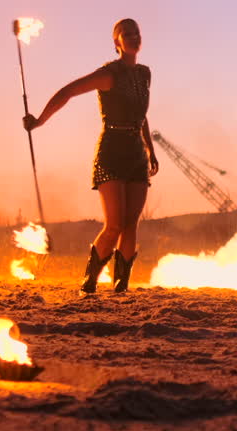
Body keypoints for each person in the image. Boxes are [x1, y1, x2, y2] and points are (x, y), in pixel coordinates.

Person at [24, 18, 159, 293]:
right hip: (111, 150)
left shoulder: (145, 74)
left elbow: (141, 116)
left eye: (137, 33)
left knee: (131, 224)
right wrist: (39, 121)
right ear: (116, 42)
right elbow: (68, 92)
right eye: (126, 34)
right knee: (115, 225)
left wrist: (150, 148)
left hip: (136, 153)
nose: (133, 37)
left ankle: (121, 283)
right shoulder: (109, 74)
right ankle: (91, 277)